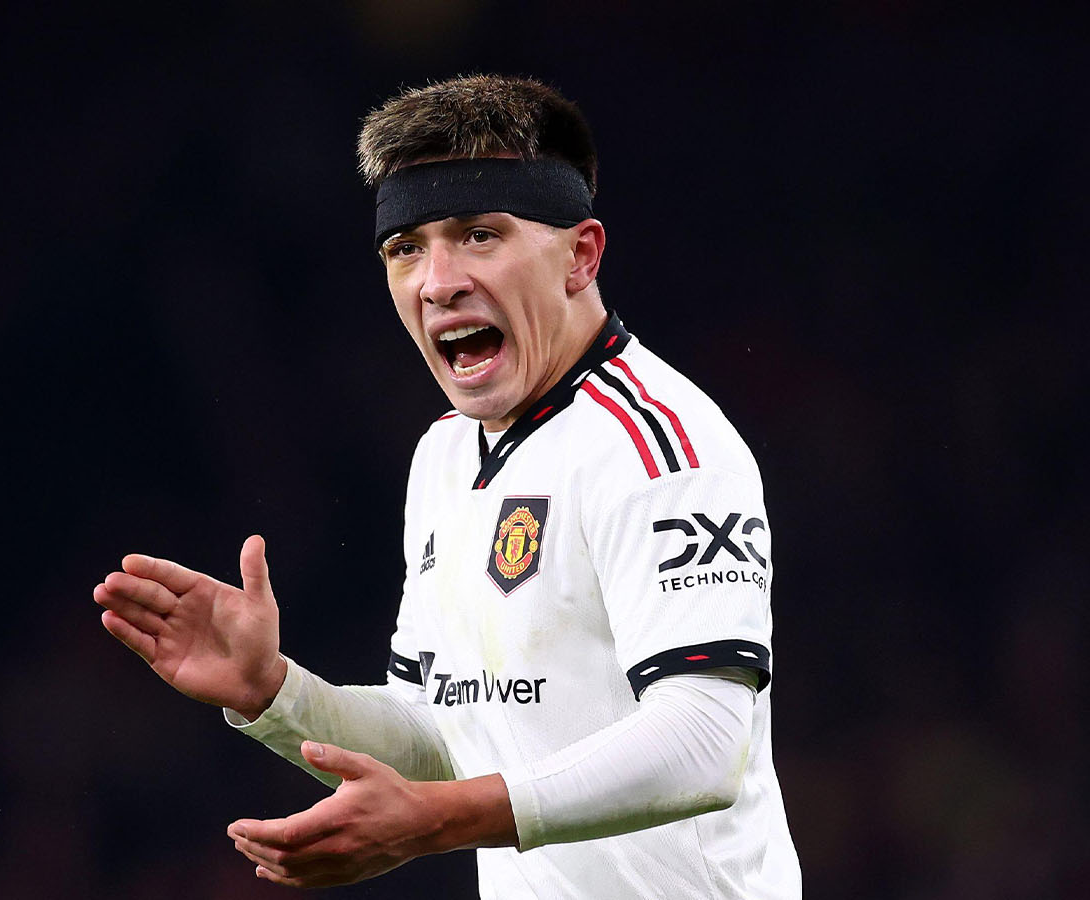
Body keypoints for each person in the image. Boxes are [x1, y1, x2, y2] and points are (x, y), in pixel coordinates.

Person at [93, 74, 800, 899]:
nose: (437, 281)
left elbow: (708, 740)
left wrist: (440, 819)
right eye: (406, 249)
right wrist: (277, 694)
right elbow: (447, 737)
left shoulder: (660, 446)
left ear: (581, 255)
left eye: (478, 235)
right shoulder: (444, 457)